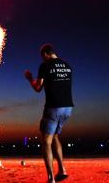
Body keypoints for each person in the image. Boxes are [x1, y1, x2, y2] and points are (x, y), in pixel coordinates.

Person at [25, 44, 73, 183]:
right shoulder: (67, 65)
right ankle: (62, 170)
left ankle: (51, 178)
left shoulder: (45, 65)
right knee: (55, 136)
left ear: (45, 54)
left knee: (46, 142)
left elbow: (38, 88)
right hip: (68, 107)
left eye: (42, 56)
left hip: (53, 107)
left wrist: (30, 79)